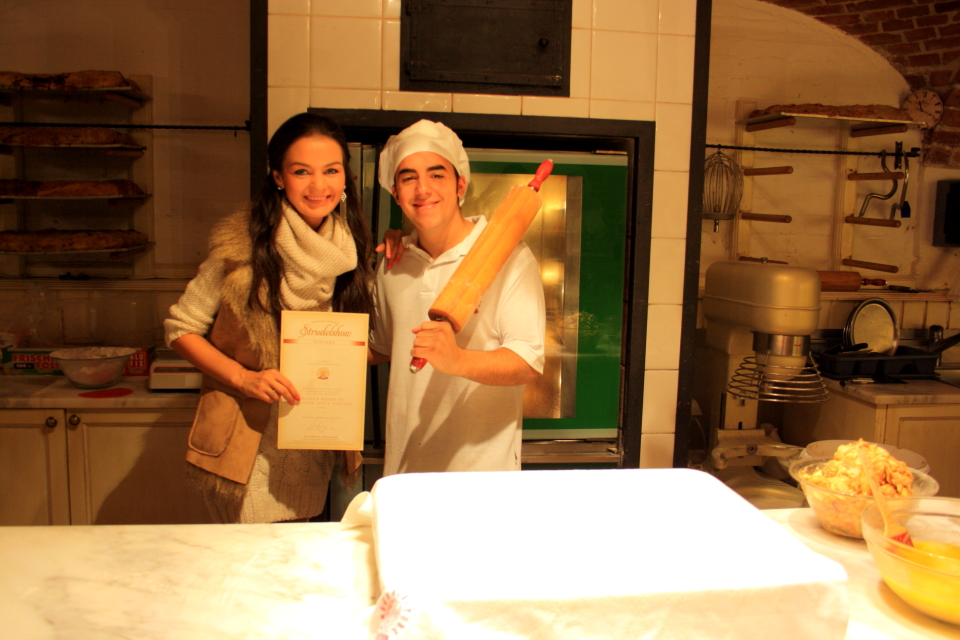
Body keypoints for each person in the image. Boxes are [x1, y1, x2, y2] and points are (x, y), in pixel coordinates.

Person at [164, 113, 376, 523]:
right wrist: (244, 377)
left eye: (331, 171)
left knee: (294, 553)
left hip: (311, 439)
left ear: (345, 178)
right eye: (302, 171)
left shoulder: (349, 252)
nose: (318, 186)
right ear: (279, 177)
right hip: (248, 443)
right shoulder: (240, 248)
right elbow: (180, 328)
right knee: (249, 555)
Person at [368, 119, 546, 476]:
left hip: (482, 477)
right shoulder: (391, 263)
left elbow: (528, 361)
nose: (423, 189)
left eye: (436, 175)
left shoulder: (510, 257)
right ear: (395, 193)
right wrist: (305, 350)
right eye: (408, 178)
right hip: (405, 472)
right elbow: (383, 347)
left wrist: (458, 360)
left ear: (460, 184)